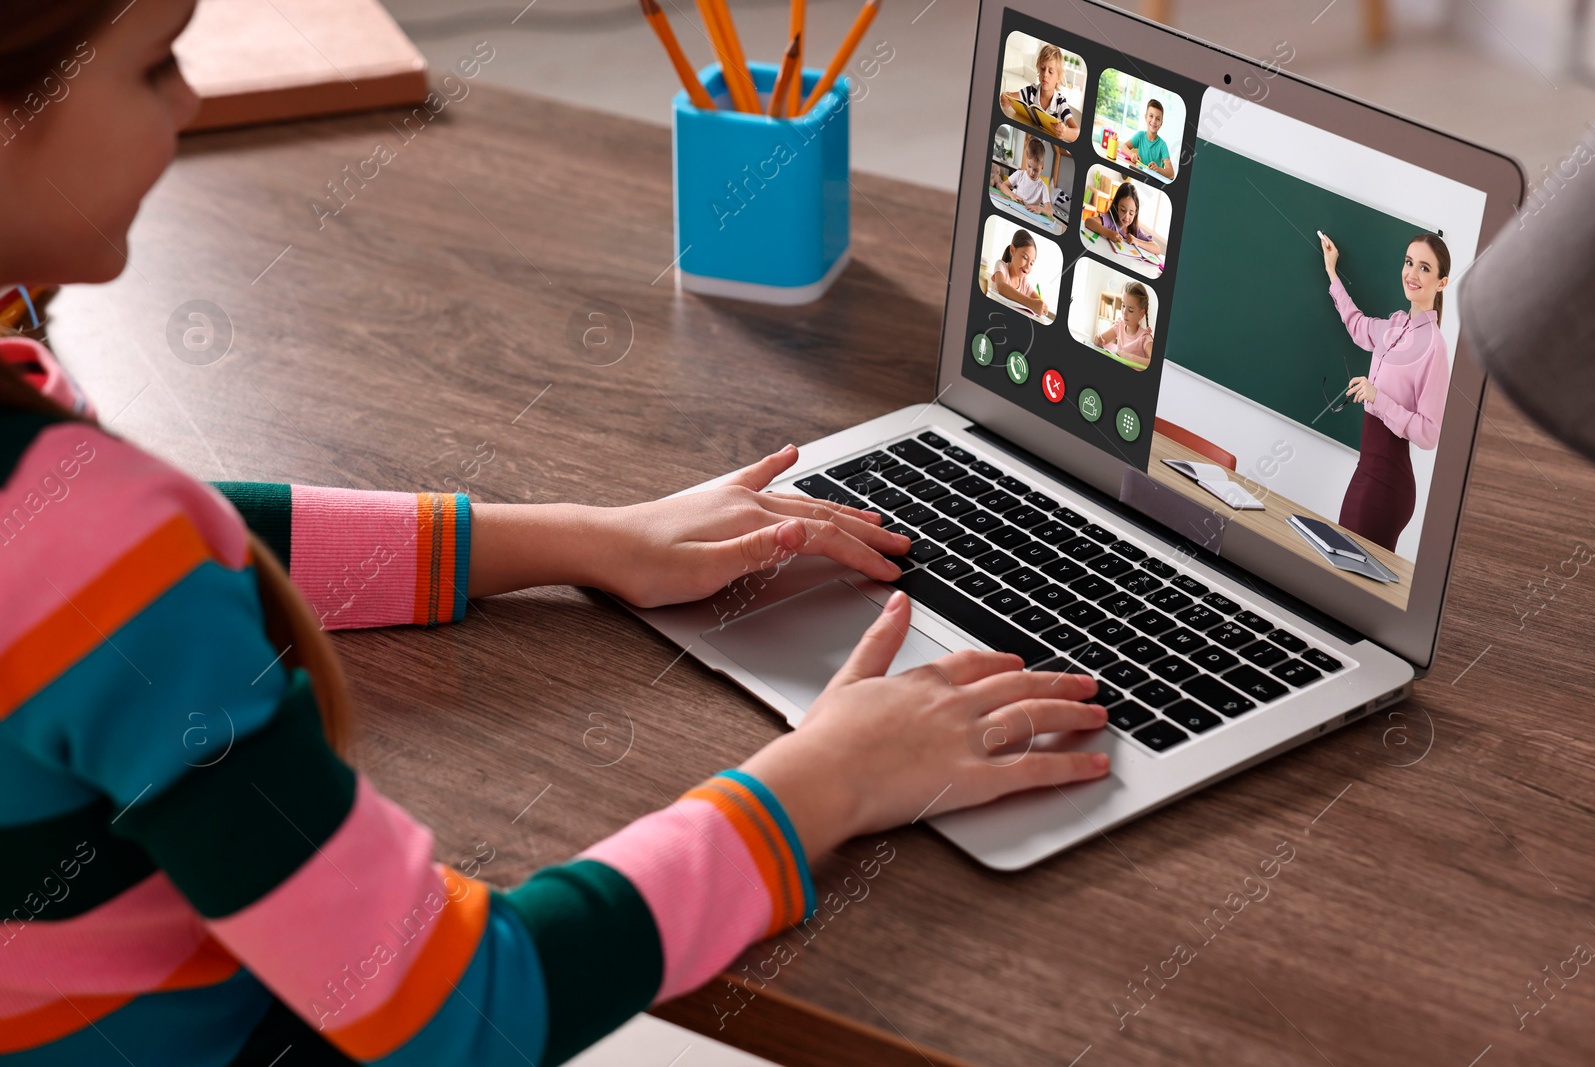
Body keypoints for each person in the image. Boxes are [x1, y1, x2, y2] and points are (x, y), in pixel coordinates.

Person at [0, 2, 1114, 1063]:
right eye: (156, 62)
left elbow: (160, 554)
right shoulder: (98, 548)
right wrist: (825, 780)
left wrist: (585, 539)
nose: (190, 97)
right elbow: (463, 1010)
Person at [1319, 231, 1451, 551]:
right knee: (1341, 563)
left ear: (1441, 283)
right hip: (1367, 470)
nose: (1412, 273)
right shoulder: (1395, 325)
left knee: (1349, 575)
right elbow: (1357, 325)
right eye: (1409, 263)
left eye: (1424, 268)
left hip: (1388, 483)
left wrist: (1378, 398)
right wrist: (1332, 272)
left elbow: (1429, 434)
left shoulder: (1435, 347)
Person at [1000, 42, 1079, 142]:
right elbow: (1009, 96)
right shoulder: (1031, 91)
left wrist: (1066, 132)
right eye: (1042, 68)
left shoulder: (1061, 103)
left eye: (1050, 71)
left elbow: (1077, 133)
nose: (1045, 74)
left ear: (1058, 78)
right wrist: (1004, 98)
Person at [1083, 181, 1161, 254]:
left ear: (1135, 213)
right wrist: (1109, 233)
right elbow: (1088, 221)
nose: (1126, 217)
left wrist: (1137, 241)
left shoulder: (1135, 230)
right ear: (1116, 207)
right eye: (1123, 210)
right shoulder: (1110, 220)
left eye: (1131, 213)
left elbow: (1157, 249)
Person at [987, 229, 1050, 317]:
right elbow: (1002, 287)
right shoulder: (1001, 266)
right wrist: (1031, 303)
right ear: (1012, 250)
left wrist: (1042, 306)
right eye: (1025, 257)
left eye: (1031, 263)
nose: (1028, 266)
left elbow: (1037, 300)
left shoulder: (1024, 283)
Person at [1093, 281, 1155, 368]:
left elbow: (1155, 363)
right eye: (1123, 305)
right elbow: (1101, 340)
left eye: (1130, 310)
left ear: (1141, 314)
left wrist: (1129, 357)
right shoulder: (1119, 326)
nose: (1124, 313)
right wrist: (1098, 341)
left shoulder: (1144, 337)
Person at [1118, 99, 1175, 180]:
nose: (1154, 121)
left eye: (1158, 119)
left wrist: (1158, 170)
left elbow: (1171, 174)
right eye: (1151, 116)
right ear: (1146, 117)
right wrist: (1131, 155)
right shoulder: (1140, 135)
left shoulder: (1162, 145)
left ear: (1161, 123)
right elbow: (1123, 146)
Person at [996, 136, 1054, 215]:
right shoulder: (1020, 174)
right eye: (1029, 166)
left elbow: (1050, 212)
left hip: (1029, 215)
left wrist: (1040, 209)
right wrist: (1012, 194)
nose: (1031, 173)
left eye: (1036, 170)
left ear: (1042, 168)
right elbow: (1003, 186)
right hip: (1014, 209)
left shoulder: (1042, 187)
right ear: (1026, 161)